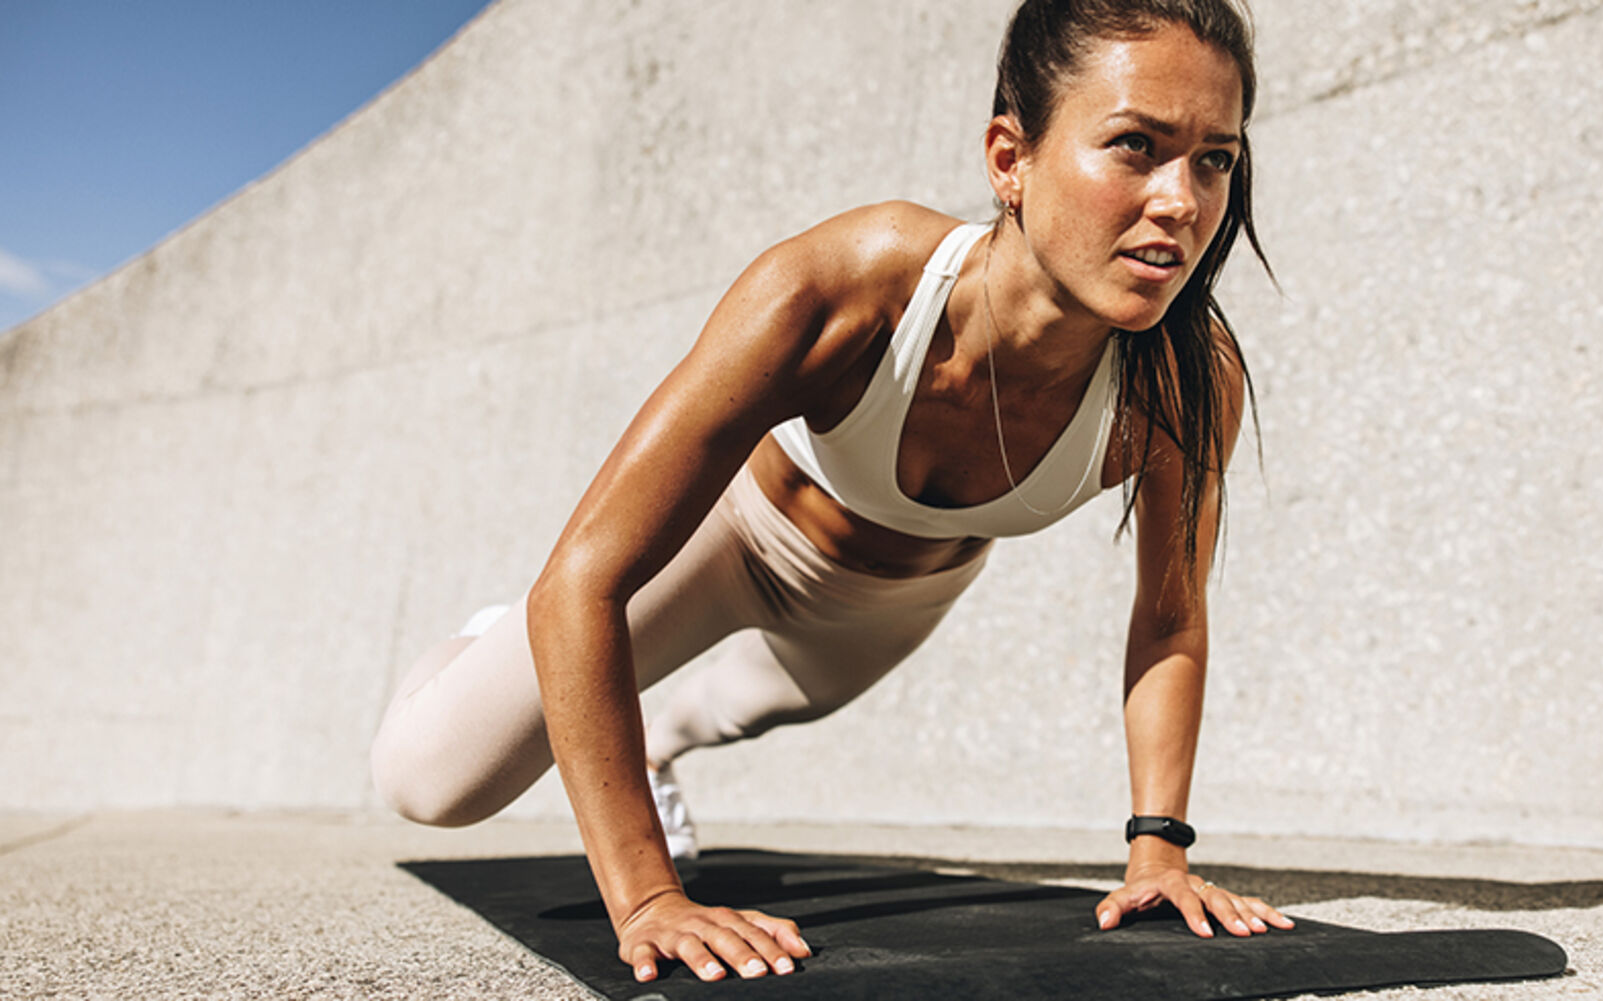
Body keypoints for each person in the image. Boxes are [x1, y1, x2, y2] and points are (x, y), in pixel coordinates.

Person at [370, 0, 1293, 984]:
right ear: (1009, 159)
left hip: (895, 600)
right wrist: (647, 894)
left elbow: (1169, 619)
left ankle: (654, 745)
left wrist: (1159, 847)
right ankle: (479, 646)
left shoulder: (1186, 380)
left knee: (740, 712)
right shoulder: (842, 290)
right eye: (1135, 146)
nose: (1182, 203)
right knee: (431, 781)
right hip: (735, 541)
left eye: (1214, 160)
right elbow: (584, 580)